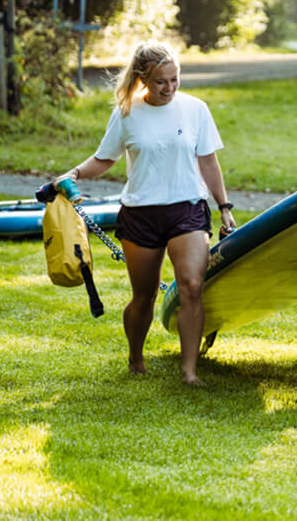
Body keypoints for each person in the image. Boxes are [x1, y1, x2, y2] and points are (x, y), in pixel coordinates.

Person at [53, 41, 235, 385]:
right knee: (144, 295)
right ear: (142, 79)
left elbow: (208, 161)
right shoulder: (127, 112)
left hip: (188, 209)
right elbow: (104, 158)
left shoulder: (195, 109)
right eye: (161, 82)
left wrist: (223, 207)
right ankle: (135, 357)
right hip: (140, 214)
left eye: (175, 80)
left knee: (192, 286)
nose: (169, 88)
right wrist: (74, 174)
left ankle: (189, 371)